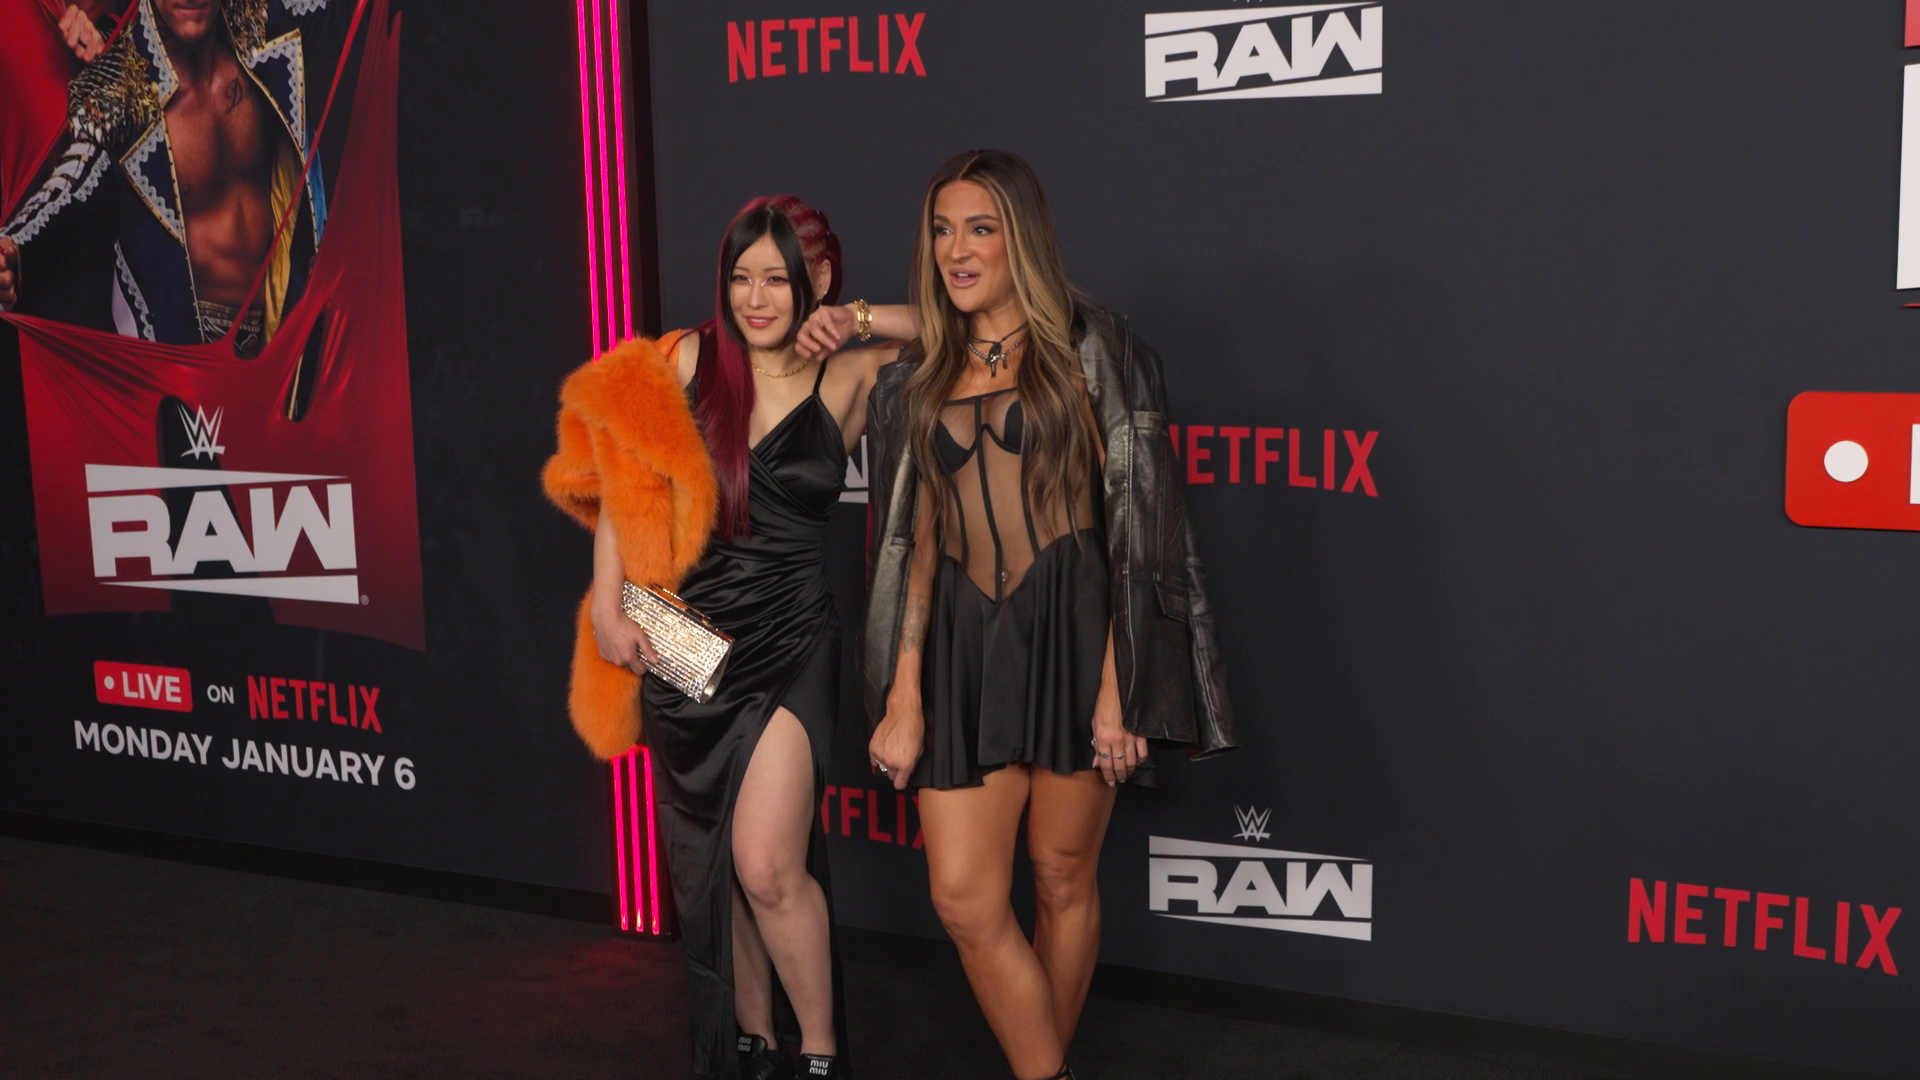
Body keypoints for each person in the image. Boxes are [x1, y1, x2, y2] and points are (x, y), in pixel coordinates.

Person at [814, 150, 1236, 1080]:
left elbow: (1140, 531)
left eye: (981, 228)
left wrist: (1122, 688)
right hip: (958, 641)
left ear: (1023, 238)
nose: (957, 249)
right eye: (942, 230)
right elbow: (914, 545)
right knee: (965, 898)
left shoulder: (1097, 351)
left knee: (1059, 876)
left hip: (1078, 634)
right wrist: (905, 694)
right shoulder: (920, 370)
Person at [547, 196, 899, 1080]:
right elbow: (623, 486)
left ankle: (820, 1056)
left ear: (817, 278)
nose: (755, 297)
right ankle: (753, 1041)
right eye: (741, 278)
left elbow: (975, 331)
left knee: (767, 864)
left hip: (790, 637)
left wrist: (853, 318)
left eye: (777, 278)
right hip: (686, 640)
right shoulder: (685, 359)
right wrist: (607, 606)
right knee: (713, 866)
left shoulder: (851, 374)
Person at [0, 0, 348, 356]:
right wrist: (15, 247)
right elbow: (74, 181)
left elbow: (348, 11)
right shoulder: (121, 81)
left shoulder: (263, 20)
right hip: (181, 354)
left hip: (285, 335)